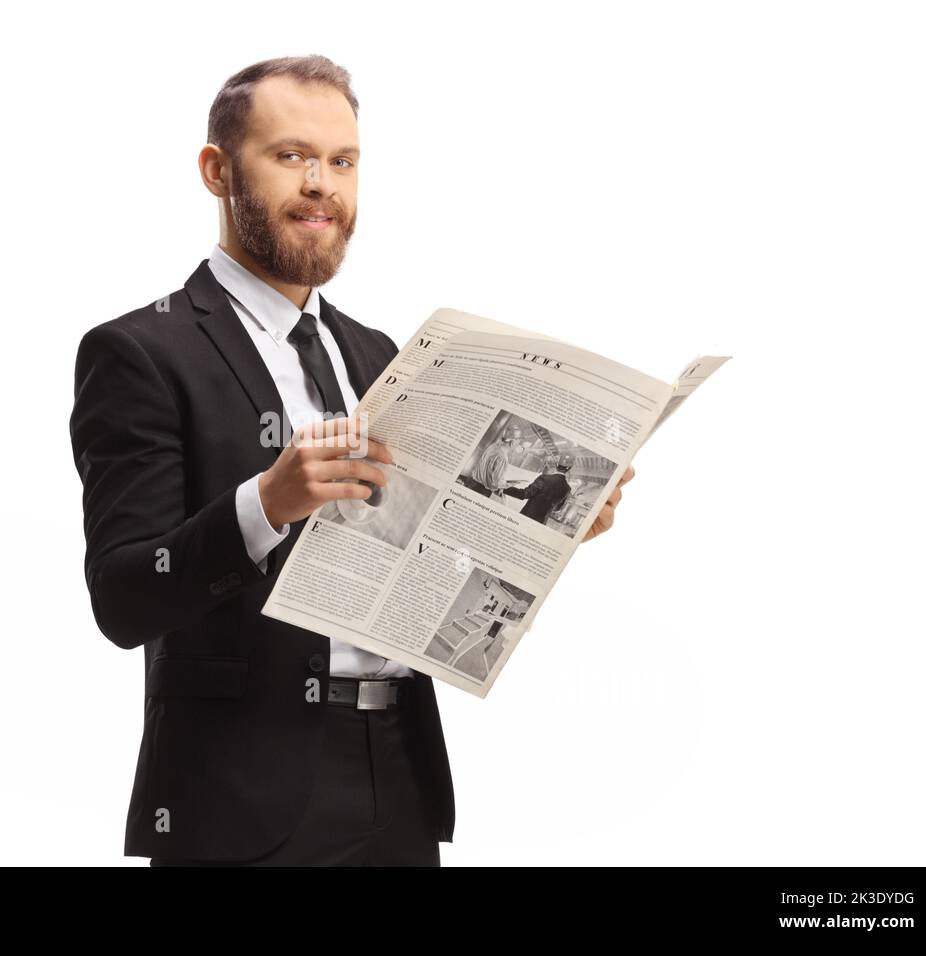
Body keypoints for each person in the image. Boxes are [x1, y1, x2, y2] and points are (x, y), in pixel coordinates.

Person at [68, 55, 632, 866]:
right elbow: (122, 597)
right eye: (291, 156)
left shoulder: (380, 355)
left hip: (399, 777)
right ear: (217, 170)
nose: (321, 184)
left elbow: (423, 559)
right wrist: (265, 503)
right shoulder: (140, 352)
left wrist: (545, 528)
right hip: (239, 796)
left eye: (342, 162)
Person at [504, 454, 576, 525]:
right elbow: (557, 508)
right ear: (569, 468)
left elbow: (524, 494)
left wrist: (503, 487)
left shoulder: (544, 478)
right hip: (541, 522)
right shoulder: (567, 489)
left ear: (557, 464)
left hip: (526, 517)